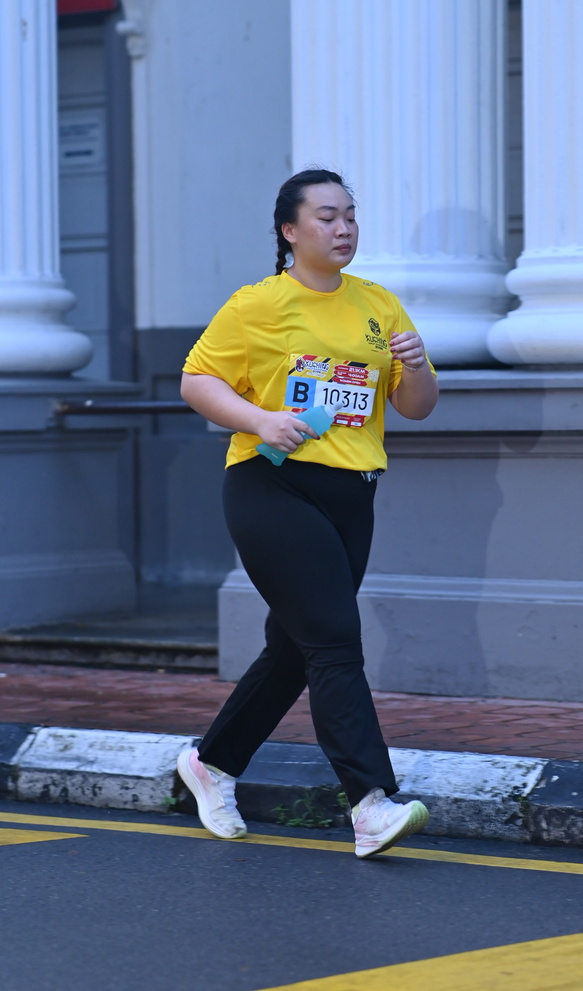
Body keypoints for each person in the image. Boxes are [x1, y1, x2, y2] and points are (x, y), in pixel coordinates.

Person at [177, 169, 439, 858]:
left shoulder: (378, 303)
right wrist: (260, 419)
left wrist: (415, 365)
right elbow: (196, 380)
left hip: (354, 491)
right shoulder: (258, 304)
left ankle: (211, 762)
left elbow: (414, 406)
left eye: (350, 215)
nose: (343, 227)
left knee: (297, 647)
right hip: (272, 486)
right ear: (290, 230)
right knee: (334, 638)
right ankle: (371, 803)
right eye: (327, 216)